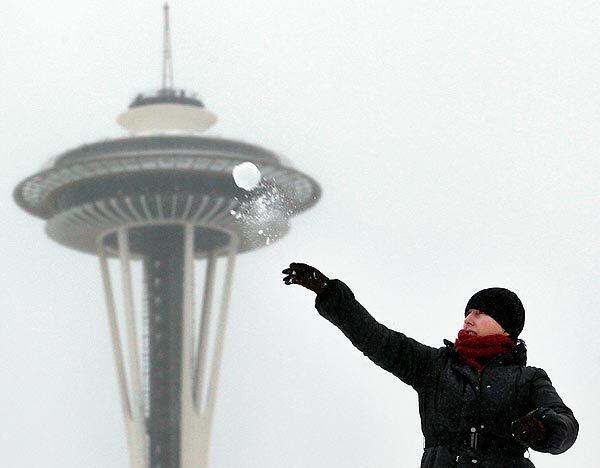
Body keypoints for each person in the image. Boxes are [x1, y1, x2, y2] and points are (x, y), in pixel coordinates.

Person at [281, 262, 578, 468]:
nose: (468, 318)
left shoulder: (528, 379)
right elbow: (376, 339)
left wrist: (543, 428)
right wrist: (329, 294)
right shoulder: (434, 365)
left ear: (505, 327)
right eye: (468, 312)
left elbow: (565, 422)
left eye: (480, 313)